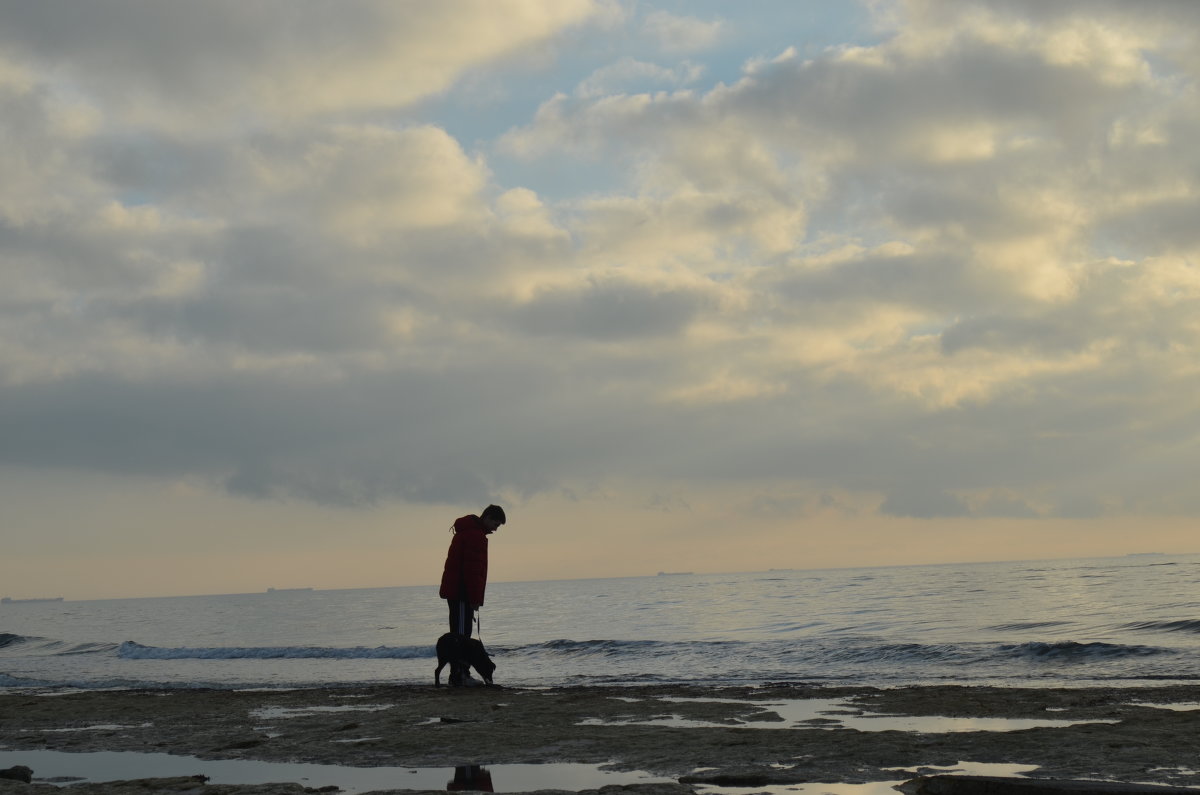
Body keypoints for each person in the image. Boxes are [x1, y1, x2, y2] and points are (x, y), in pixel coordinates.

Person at [439, 504, 506, 684]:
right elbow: (473, 572)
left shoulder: (469, 532)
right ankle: (459, 676)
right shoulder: (475, 536)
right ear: (488, 517)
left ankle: (460, 674)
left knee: (460, 635)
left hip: (457, 591)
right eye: (496, 524)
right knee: (461, 637)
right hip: (461, 593)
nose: (495, 528)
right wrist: (475, 599)